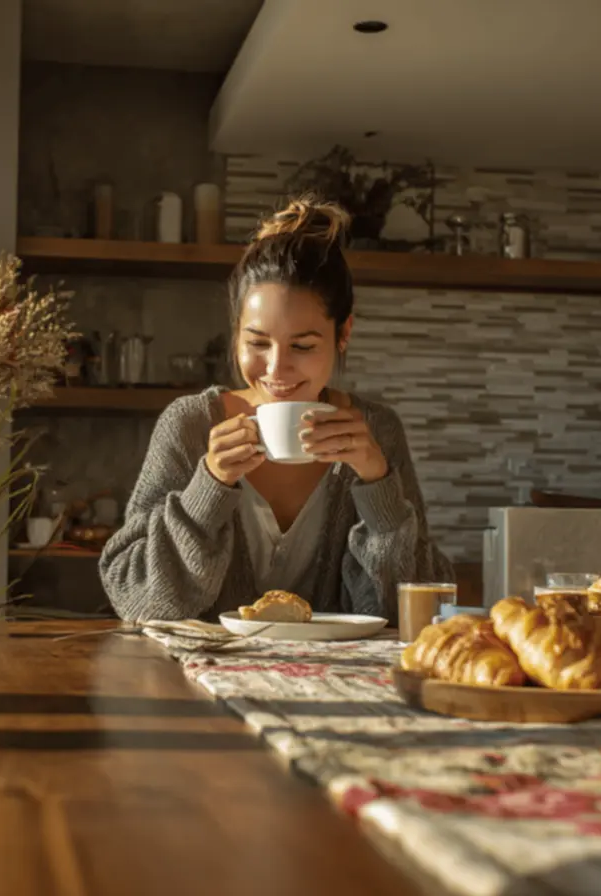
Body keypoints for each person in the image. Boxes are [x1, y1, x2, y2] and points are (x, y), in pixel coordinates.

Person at [99, 196, 454, 622]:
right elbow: (136, 602)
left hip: (333, 685)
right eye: (257, 343)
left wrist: (377, 485)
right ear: (235, 335)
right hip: (195, 682)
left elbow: (409, 614)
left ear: (344, 334)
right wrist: (208, 487)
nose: (276, 369)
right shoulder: (190, 424)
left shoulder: (376, 430)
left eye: (302, 346)